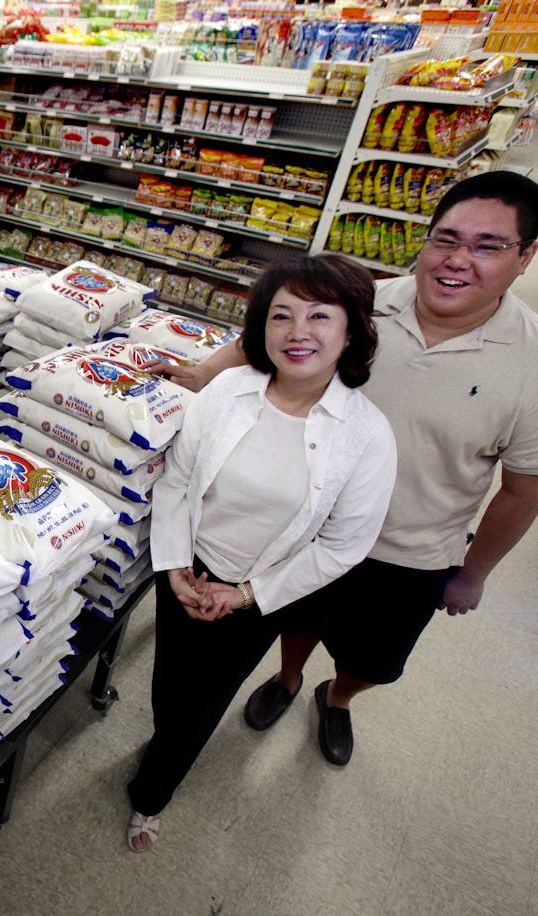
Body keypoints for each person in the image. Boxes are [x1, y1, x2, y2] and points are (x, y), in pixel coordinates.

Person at [161, 172, 538, 769]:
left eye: (488, 246)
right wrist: (200, 376)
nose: (457, 260)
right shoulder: (361, 304)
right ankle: (286, 679)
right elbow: (267, 338)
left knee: (371, 659)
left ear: (527, 257)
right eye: (445, 239)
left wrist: (474, 573)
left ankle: (336, 699)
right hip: (305, 528)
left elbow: (523, 492)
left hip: (410, 551)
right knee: (298, 617)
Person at [125, 254, 397, 853]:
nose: (298, 332)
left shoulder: (366, 434)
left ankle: (152, 796)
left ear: (351, 331)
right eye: (282, 315)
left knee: (205, 701)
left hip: (260, 595)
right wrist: (173, 568)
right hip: (188, 572)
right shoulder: (227, 389)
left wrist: (245, 594)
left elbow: (344, 545)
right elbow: (176, 480)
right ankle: (165, 742)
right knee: (169, 685)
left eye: (319, 316)